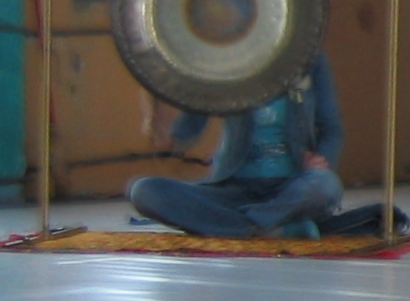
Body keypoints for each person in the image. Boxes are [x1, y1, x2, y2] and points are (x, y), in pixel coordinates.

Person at [127, 54, 345, 239]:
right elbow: (188, 129)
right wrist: (166, 125)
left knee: (324, 185)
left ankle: (238, 226)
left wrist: (321, 160)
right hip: (233, 189)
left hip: (291, 188)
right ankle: (273, 227)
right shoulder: (227, 57)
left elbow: (332, 128)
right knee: (145, 191)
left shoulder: (309, 58)